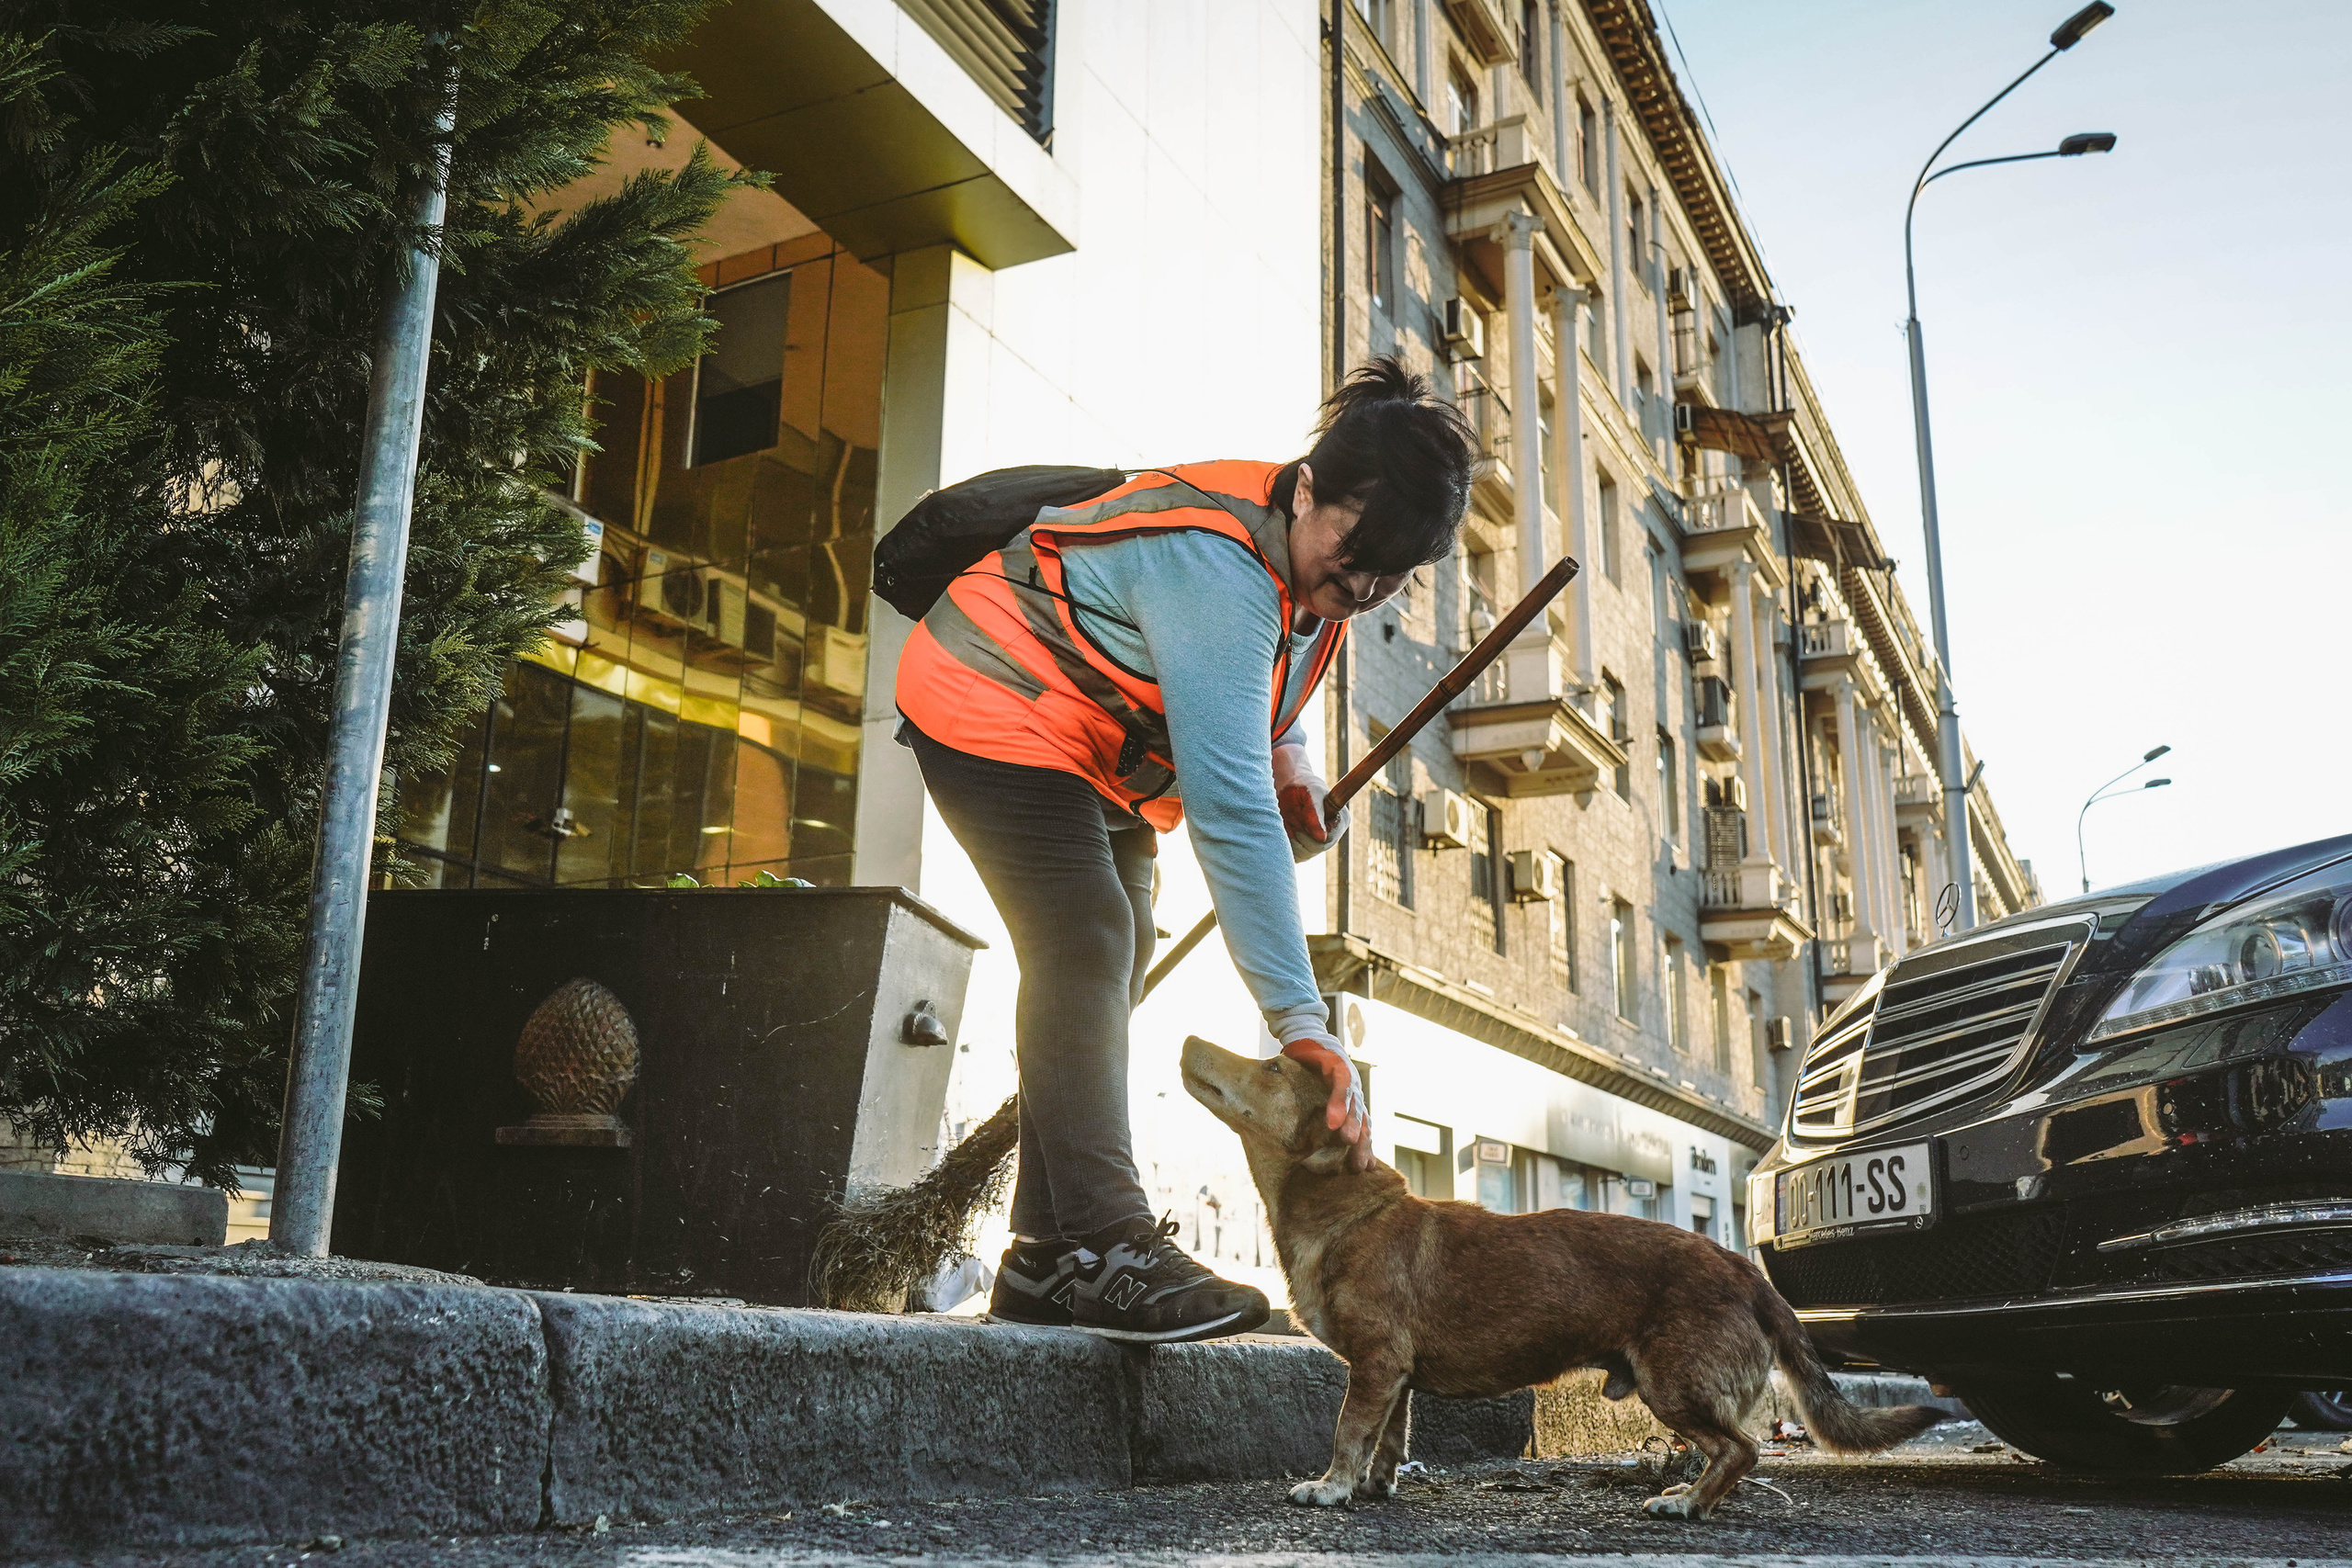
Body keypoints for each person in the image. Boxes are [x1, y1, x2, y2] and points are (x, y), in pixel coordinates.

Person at [894, 358, 1477, 1343]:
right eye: (1357, 553)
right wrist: (1302, 1022)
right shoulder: (1215, 562)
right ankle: (1114, 1246)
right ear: (1304, 490)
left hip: (1095, 750)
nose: (1366, 585)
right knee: (1083, 938)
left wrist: (1290, 756)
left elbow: (1264, 705)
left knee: (1111, 954)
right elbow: (1231, 813)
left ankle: (1041, 1258)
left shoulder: (1308, 570)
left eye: (1393, 574)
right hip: (990, 688)